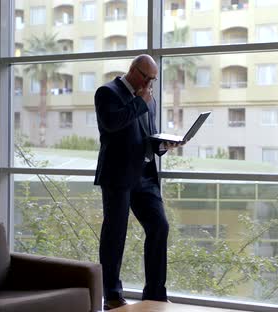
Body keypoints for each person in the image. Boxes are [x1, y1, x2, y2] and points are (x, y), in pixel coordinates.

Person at [94, 54, 181, 310]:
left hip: (144, 176)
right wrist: (140, 102)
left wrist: (165, 144)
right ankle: (111, 295)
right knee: (115, 236)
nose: (150, 83)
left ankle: (154, 293)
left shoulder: (148, 99)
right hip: (118, 177)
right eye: (147, 77)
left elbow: (148, 137)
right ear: (133, 70)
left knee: (159, 226)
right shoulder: (107, 92)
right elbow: (111, 124)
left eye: (153, 79)